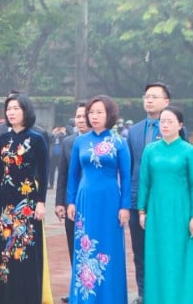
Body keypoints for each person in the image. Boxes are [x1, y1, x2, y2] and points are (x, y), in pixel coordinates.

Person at [66, 95, 131, 304]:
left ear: (109, 114)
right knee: (84, 250)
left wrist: (125, 206)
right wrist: (71, 201)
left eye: (99, 112)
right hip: (85, 201)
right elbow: (73, 175)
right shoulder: (80, 141)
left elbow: (127, 177)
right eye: (91, 112)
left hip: (110, 201)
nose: (94, 117)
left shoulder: (119, 142)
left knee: (110, 249)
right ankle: (85, 299)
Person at [0, 94, 51, 304]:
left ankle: (28, 297)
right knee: (5, 249)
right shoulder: (2, 139)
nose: (11, 112)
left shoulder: (37, 139)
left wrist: (41, 202)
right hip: (5, 200)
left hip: (27, 201)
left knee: (25, 249)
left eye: (16, 108)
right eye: (9, 109)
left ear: (26, 111)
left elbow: (43, 172)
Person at [137, 106, 193, 304]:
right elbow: (144, 182)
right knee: (156, 257)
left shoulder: (189, 151)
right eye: (162, 121)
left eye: (170, 121)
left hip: (180, 212)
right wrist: (142, 210)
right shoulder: (150, 150)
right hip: (156, 212)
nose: (164, 125)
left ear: (180, 125)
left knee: (180, 258)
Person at [125, 82, 173, 304]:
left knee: (164, 247)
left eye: (155, 96)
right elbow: (130, 168)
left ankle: (162, 292)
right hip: (137, 200)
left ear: (166, 102)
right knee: (140, 250)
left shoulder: (174, 128)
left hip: (164, 200)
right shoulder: (133, 131)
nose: (149, 100)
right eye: (147, 96)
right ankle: (144, 293)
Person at [54, 103, 88, 303]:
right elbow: (63, 176)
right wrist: (60, 203)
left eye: (84, 116)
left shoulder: (104, 142)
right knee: (74, 246)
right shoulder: (68, 142)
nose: (81, 120)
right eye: (78, 116)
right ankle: (77, 288)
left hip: (93, 202)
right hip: (72, 204)